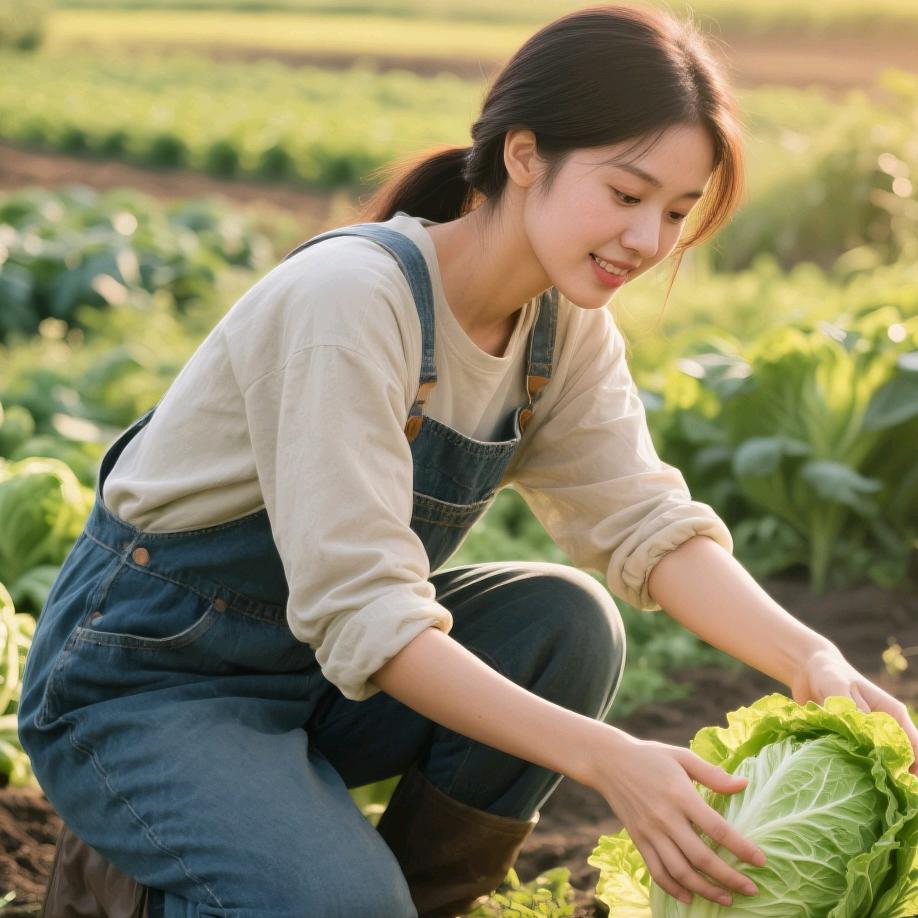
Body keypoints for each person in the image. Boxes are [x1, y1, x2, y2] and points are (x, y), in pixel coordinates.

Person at [18, 4, 918, 917]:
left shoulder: (562, 331)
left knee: (564, 622)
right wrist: (610, 759)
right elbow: (365, 608)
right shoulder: (353, 301)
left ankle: (390, 895)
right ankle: (163, 879)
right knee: (340, 908)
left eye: (677, 212)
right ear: (524, 156)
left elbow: (645, 523)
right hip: (146, 685)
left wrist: (814, 660)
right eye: (625, 195)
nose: (648, 241)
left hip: (311, 673)